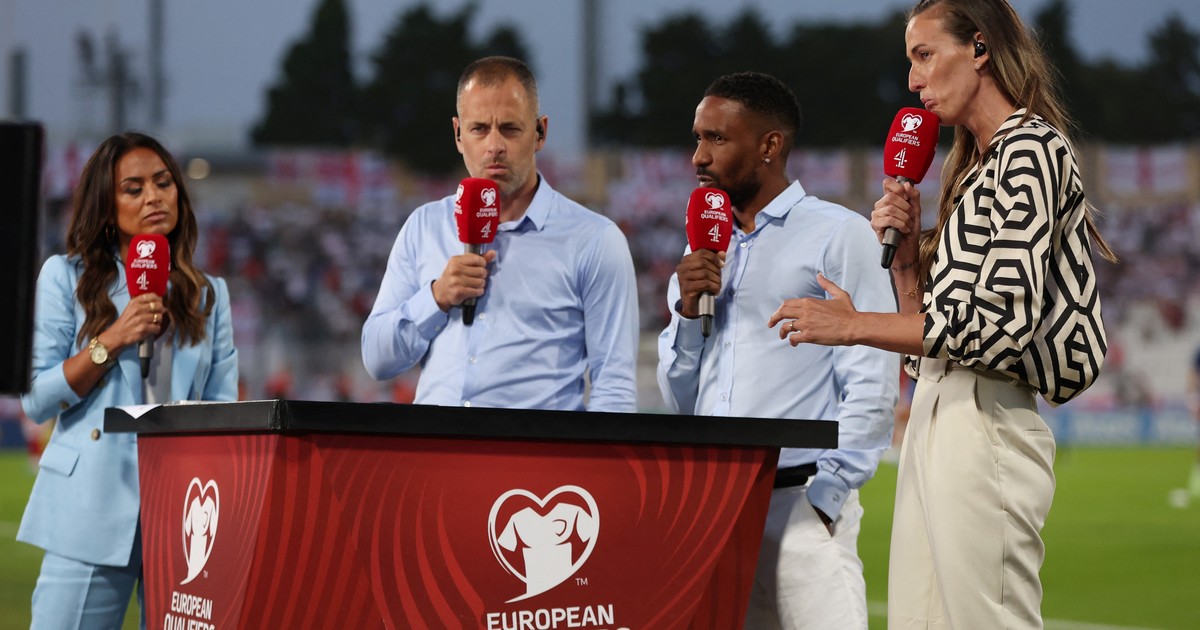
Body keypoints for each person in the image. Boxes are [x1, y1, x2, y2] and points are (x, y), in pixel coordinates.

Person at [766, 1, 1118, 627]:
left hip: (986, 419)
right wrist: (906, 266)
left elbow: (996, 331)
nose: (913, 80)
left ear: (979, 48)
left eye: (924, 55)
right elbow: (931, 340)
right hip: (939, 409)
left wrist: (853, 325)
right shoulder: (975, 165)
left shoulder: (1031, 148)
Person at [657, 72, 898, 629]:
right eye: (697, 138)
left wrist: (828, 497)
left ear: (770, 145)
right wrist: (688, 312)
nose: (698, 157)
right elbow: (680, 400)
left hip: (801, 502)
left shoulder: (837, 234)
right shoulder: (700, 250)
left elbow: (872, 377)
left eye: (716, 138)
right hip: (716, 511)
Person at [18, 132, 239, 629]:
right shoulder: (65, 278)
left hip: (183, 519)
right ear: (106, 206)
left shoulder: (209, 296)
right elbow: (36, 399)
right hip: (90, 511)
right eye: (133, 189)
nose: (153, 197)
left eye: (163, 183)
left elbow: (224, 414)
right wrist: (112, 340)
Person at [361, 56, 638, 412]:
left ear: (540, 133)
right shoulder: (424, 226)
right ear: (458, 134)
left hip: (534, 447)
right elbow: (377, 359)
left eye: (509, 128)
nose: (494, 146)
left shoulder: (595, 240)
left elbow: (614, 387)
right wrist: (437, 297)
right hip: (434, 445)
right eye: (479, 129)